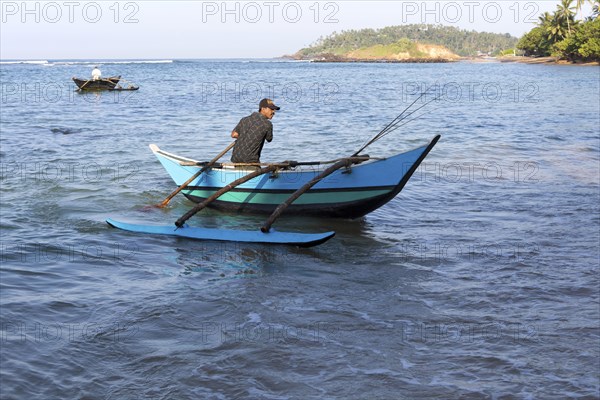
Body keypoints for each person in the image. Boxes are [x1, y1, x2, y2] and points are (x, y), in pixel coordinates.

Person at [230, 98, 280, 163]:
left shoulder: (244, 119)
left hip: (235, 159)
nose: (273, 112)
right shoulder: (267, 124)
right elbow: (269, 139)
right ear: (263, 109)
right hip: (251, 161)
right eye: (271, 109)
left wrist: (246, 136)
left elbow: (234, 134)